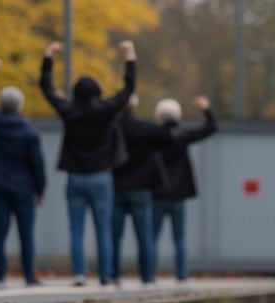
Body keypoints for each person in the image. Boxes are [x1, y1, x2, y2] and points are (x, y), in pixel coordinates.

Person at [40, 40, 137, 286]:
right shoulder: (106, 111)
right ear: (97, 93)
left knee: (76, 228)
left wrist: (49, 57)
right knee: (103, 229)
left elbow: (48, 89)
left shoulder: (69, 111)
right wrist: (129, 57)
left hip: (76, 176)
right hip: (101, 175)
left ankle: (80, 273)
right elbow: (128, 90)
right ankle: (105, 274)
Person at [0, 57, 46, 287]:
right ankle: (30, 276)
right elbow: (37, 163)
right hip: (24, 188)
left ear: (1, 105)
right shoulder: (30, 132)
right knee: (26, 233)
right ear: (21, 106)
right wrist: (40, 188)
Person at [152, 96, 217, 281]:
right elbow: (210, 128)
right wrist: (206, 109)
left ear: (158, 115)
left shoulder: (152, 136)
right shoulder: (183, 136)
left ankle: (148, 273)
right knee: (179, 236)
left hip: (157, 193)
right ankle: (181, 275)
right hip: (178, 194)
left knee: (152, 236)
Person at [111, 96, 174, 285]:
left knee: (114, 234)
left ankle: (113, 274)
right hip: (141, 187)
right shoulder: (144, 128)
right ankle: (147, 275)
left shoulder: (113, 128)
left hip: (117, 186)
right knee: (145, 235)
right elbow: (167, 136)